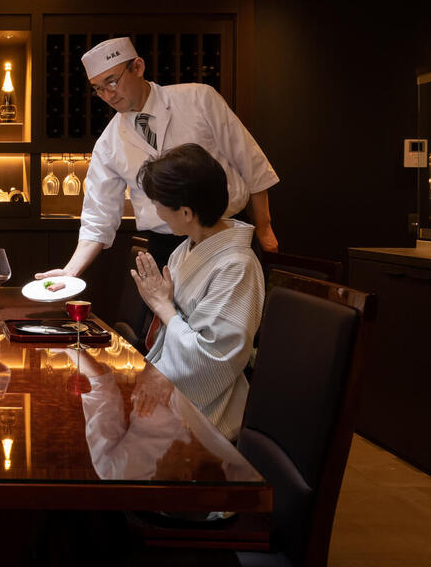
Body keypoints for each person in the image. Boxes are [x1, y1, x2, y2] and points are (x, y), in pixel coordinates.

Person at [36, 36, 279, 286]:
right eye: (98, 88)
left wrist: (264, 227)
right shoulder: (108, 143)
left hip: (226, 234)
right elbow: (98, 217)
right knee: (170, 323)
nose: (108, 94)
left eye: (112, 81)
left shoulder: (198, 99)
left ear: (138, 67)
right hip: (166, 248)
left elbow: (250, 162)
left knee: (233, 320)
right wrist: (71, 271)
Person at [128, 143, 265, 441]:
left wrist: (163, 306)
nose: (156, 212)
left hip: (205, 419)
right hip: (171, 390)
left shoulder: (236, 267)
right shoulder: (186, 249)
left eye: (158, 204)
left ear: (186, 212)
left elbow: (211, 360)